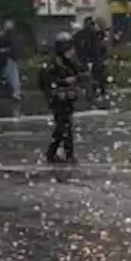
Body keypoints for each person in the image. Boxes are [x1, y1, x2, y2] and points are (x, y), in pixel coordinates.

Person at [40, 32, 82, 164]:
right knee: (64, 127)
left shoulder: (69, 63)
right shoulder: (54, 64)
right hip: (58, 100)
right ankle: (68, 155)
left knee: (62, 128)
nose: (72, 52)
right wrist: (63, 82)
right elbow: (46, 82)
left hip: (67, 100)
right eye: (69, 49)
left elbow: (78, 73)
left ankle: (52, 153)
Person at [0, 20, 21, 101]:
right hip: (8, 58)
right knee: (9, 75)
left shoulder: (10, 35)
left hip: (10, 58)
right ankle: (12, 92)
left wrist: (5, 50)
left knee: (12, 75)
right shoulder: (9, 35)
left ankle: (16, 92)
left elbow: (11, 46)